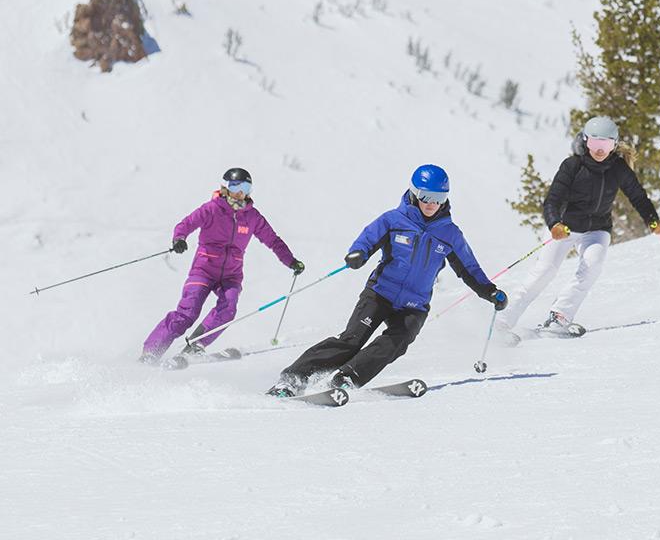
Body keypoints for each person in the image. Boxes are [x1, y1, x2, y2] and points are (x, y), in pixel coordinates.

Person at [267, 163, 507, 397]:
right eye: (426, 196)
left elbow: (469, 267)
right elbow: (368, 238)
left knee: (398, 341)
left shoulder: (450, 234)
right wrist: (359, 253)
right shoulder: (393, 220)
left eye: (439, 197)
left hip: (415, 304)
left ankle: (347, 377)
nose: (432, 204)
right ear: (414, 193)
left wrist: (489, 291)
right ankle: (292, 379)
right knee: (351, 340)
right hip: (380, 293)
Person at [500, 116, 660, 341]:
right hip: (565, 228)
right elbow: (552, 200)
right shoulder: (572, 166)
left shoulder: (618, 168)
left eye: (605, 145)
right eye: (595, 144)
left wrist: (651, 218)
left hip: (597, 230)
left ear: (614, 145)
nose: (599, 150)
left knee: (591, 267)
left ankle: (559, 317)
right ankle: (502, 322)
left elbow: (637, 195)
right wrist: (554, 224)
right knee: (544, 272)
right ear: (585, 142)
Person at [141, 167, 304, 362]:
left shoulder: (252, 217)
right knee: (187, 313)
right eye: (236, 187)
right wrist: (179, 239)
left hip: (231, 275)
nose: (241, 193)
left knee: (228, 307)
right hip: (203, 270)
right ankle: (151, 352)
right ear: (225, 187)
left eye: (246, 187)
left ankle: (196, 345)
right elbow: (185, 225)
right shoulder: (211, 209)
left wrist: (291, 261)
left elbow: (273, 240)